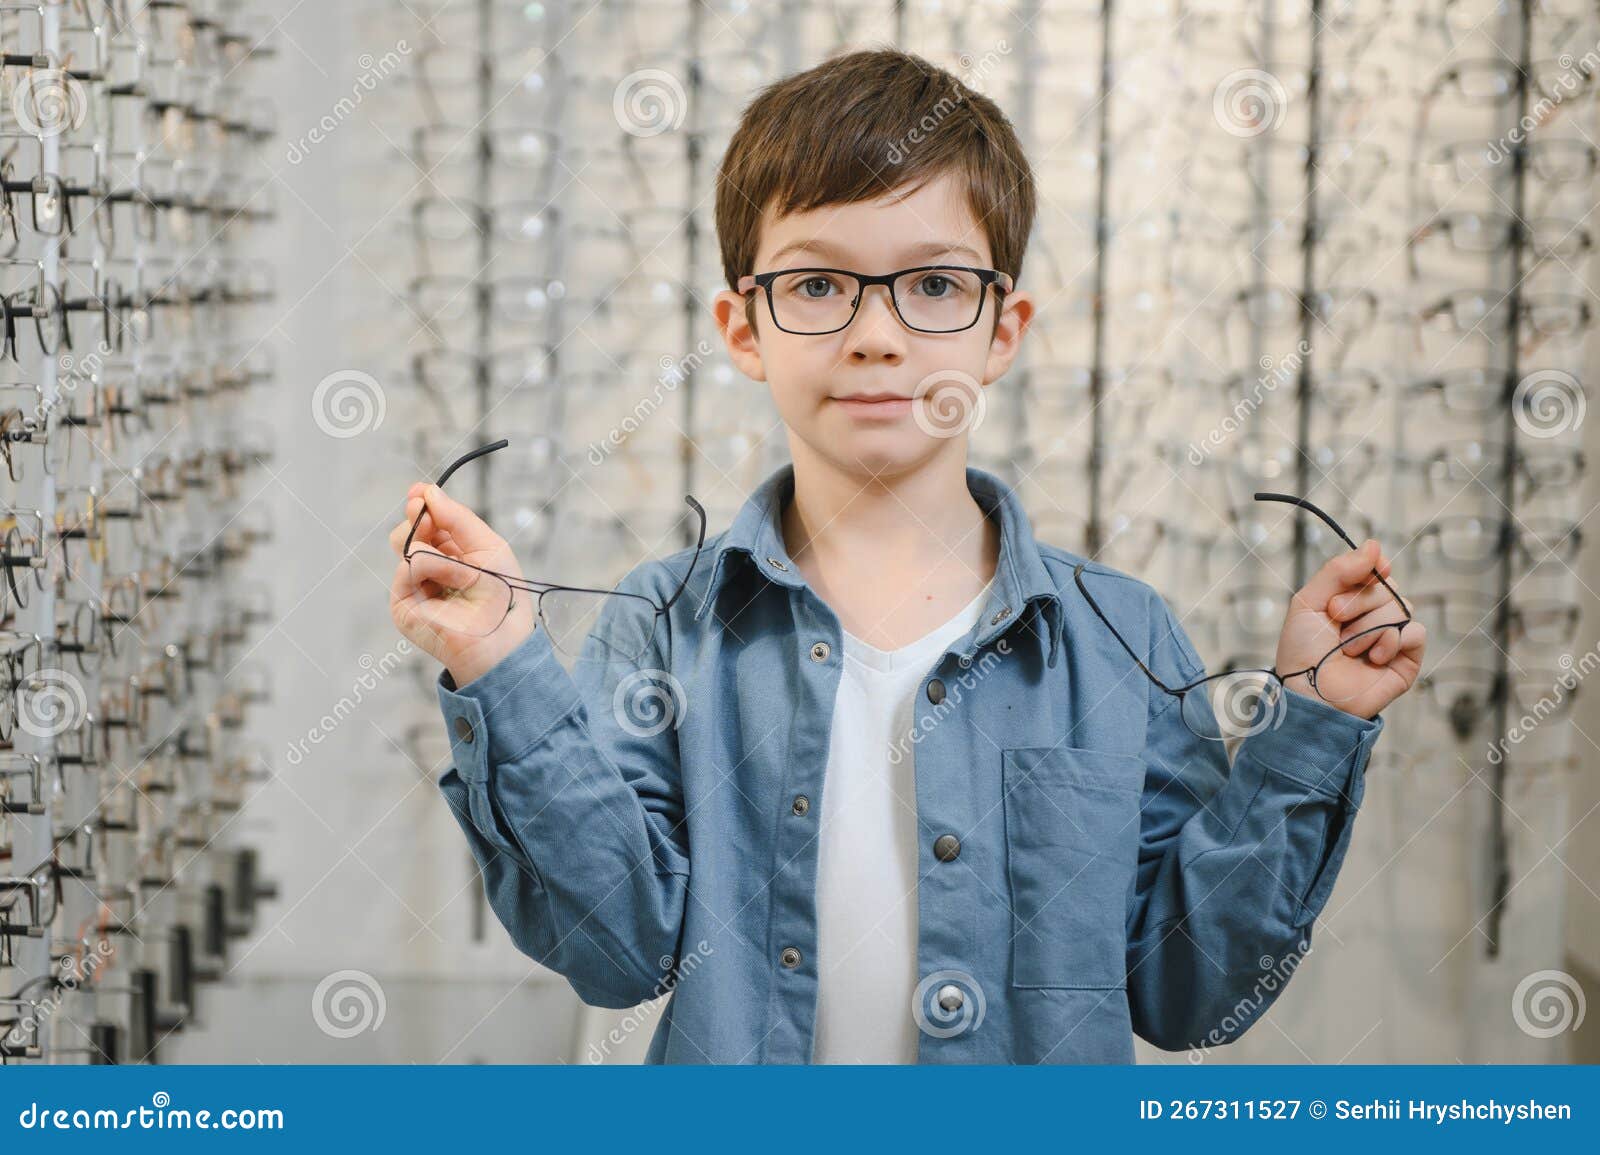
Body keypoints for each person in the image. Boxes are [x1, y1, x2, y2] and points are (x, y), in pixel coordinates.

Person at [388, 48, 1425, 1064]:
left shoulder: (1122, 631)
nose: (877, 334)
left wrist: (1314, 728)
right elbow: (617, 952)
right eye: (816, 285)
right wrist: (502, 669)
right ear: (743, 330)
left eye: (932, 285)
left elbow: (1187, 992)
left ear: (1002, 330)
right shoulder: (663, 620)